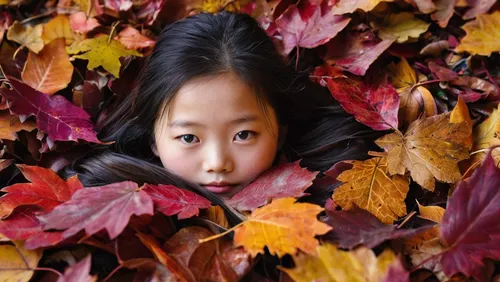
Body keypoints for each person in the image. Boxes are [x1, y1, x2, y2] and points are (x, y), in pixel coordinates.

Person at [61, 11, 378, 224]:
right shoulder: (118, 209)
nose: (217, 163)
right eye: (188, 138)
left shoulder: (339, 196)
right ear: (153, 139)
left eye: (243, 135)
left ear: (279, 132)